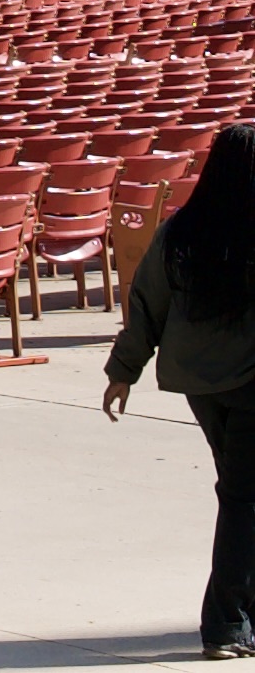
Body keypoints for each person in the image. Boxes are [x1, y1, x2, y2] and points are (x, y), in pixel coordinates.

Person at [108, 124, 255, 658]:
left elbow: (147, 302)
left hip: (200, 384)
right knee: (243, 501)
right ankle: (225, 622)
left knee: (241, 494)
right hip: (248, 383)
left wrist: (123, 370)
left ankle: (242, 609)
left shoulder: (181, 231)